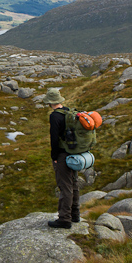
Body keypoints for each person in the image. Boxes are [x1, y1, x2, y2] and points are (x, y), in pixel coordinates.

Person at [43, 88, 80, 229]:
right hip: (74, 153)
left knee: (65, 186)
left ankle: (64, 219)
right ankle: (75, 215)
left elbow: (54, 138)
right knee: (74, 183)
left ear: (50, 103)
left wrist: (55, 156)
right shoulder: (69, 111)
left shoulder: (54, 116)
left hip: (62, 155)